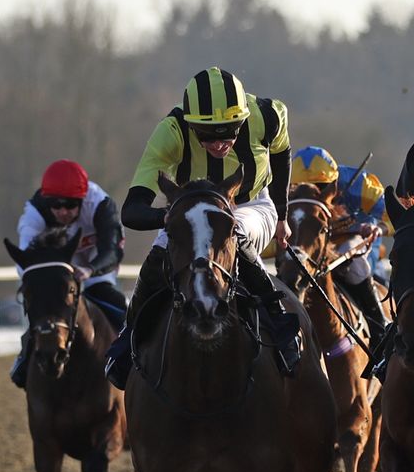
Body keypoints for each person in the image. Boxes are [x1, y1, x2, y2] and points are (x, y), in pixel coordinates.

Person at [103, 67, 299, 389]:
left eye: (230, 132)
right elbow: (132, 211)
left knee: (233, 230)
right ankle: (129, 334)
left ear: (243, 119)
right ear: (191, 123)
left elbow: (281, 153)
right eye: (207, 135)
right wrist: (170, 218)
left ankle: (279, 321)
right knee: (159, 250)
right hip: (189, 211)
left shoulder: (268, 116)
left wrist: (281, 215)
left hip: (250, 204)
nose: (220, 143)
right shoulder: (171, 132)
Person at [9, 159, 124, 388]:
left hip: (93, 264)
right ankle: (25, 356)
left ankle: (133, 354)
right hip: (57, 269)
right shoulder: (34, 213)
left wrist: (90, 270)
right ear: (46, 200)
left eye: (71, 205)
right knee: (44, 310)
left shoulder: (100, 204)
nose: (63, 212)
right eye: (56, 205)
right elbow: (25, 263)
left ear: (83, 199)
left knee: (120, 307)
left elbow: (112, 251)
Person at [290, 146, 391, 340]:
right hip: (313, 247)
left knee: (354, 262)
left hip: (354, 243)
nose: (312, 194)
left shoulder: (361, 185)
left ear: (334, 182)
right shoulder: (288, 196)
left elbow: (395, 215)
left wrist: (379, 228)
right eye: (301, 187)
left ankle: (380, 326)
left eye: (320, 187)